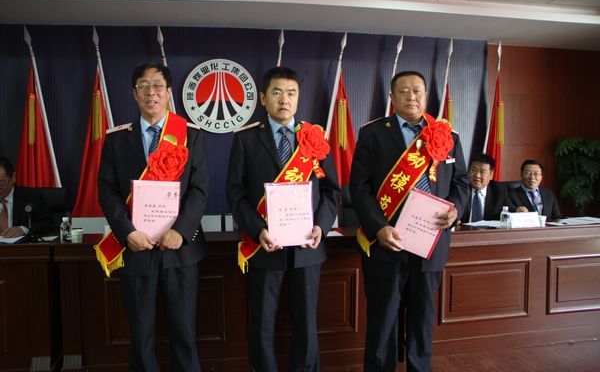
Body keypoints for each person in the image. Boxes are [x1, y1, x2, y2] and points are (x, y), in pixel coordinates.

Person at [350, 71, 468, 372]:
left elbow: (461, 183)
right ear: (392, 97)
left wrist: (455, 210)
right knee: (383, 319)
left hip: (431, 242)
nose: (411, 96)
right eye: (403, 91)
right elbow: (359, 187)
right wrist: (379, 226)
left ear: (426, 96)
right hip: (386, 242)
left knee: (422, 318)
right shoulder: (373, 133)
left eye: (417, 91)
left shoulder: (448, 136)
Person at [226, 66, 340, 372]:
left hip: (308, 246)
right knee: (262, 323)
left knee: (306, 322)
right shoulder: (246, 139)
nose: (284, 99)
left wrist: (321, 226)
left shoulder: (314, 137)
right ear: (263, 98)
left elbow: (331, 190)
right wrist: (257, 229)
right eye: (277, 92)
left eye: (291, 93)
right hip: (264, 245)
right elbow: (235, 192)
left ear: (298, 98)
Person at [98, 62, 208, 372]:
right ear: (134, 94)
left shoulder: (190, 136)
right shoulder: (117, 139)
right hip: (136, 248)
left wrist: (180, 231)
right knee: (141, 336)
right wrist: (127, 232)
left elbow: (200, 191)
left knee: (184, 334)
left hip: (180, 250)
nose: (151, 92)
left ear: (169, 92)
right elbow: (106, 191)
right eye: (143, 86)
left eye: (158, 85)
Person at [0, 156, 54, 238]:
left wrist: (24, 229)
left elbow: (49, 224)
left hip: (21, 245)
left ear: (13, 177)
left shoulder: (32, 197)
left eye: (1, 183)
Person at [460, 153, 515, 223]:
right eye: (473, 170)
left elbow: (512, 212)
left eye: (482, 172)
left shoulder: (498, 190)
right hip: (464, 229)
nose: (477, 175)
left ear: (491, 175)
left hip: (488, 230)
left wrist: (520, 211)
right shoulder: (461, 188)